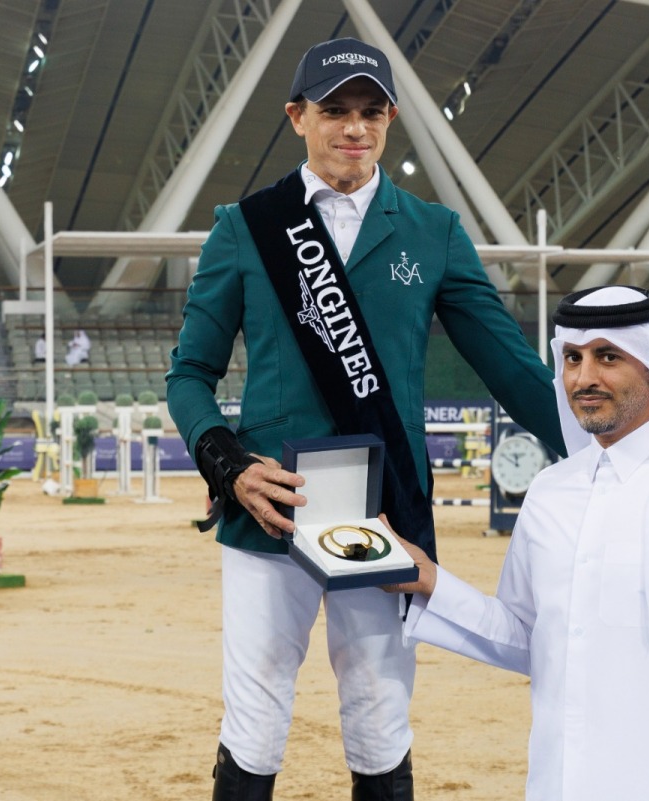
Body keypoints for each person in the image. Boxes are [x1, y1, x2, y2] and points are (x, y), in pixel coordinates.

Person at [165, 37, 564, 801]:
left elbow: (512, 369)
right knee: (254, 718)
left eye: (370, 111)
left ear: (390, 118)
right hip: (269, 514)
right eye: (334, 110)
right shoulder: (245, 228)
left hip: (386, 518)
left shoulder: (434, 231)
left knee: (381, 717)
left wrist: (608, 448)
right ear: (296, 117)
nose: (354, 127)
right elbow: (189, 375)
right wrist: (230, 464)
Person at [386, 286, 649, 801]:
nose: (584, 378)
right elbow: (532, 638)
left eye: (608, 357)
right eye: (573, 359)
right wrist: (430, 580)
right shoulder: (551, 492)